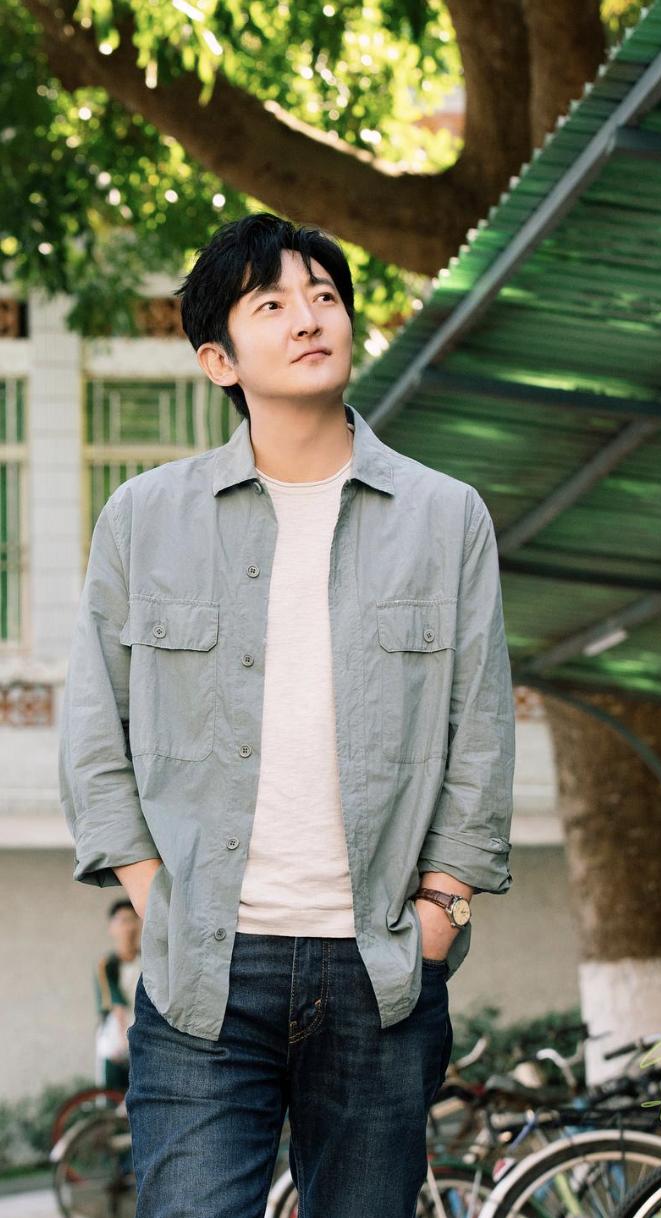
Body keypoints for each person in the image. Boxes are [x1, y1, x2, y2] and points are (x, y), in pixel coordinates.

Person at [58, 212, 515, 1218]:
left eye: (324, 296)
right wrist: (155, 897)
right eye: (271, 303)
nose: (309, 318)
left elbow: (479, 733)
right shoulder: (144, 519)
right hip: (203, 972)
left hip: (382, 970)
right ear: (219, 359)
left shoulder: (446, 518)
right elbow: (94, 735)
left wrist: (439, 914)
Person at [94, 898, 141, 1091]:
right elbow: (117, 1005)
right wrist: (123, 1041)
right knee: (113, 1099)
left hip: (143, 1041)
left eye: (132, 920)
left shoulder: (146, 961)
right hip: (116, 1042)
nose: (128, 927)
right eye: (122, 921)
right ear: (111, 928)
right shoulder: (107, 964)